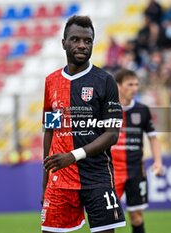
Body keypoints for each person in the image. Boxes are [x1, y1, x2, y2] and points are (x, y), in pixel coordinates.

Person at [41, 15, 126, 233]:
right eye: (75, 39)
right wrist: (46, 182)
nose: (82, 45)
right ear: (64, 43)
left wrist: (73, 155)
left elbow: (112, 134)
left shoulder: (105, 80)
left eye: (87, 41)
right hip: (60, 180)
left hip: (97, 178)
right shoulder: (51, 82)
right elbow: (50, 131)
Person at [111, 69, 163, 233]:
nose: (134, 88)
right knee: (108, 216)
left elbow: (153, 138)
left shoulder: (142, 110)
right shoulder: (107, 109)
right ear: (118, 86)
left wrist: (158, 162)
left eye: (136, 84)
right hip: (111, 172)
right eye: (130, 84)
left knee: (136, 215)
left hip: (135, 171)